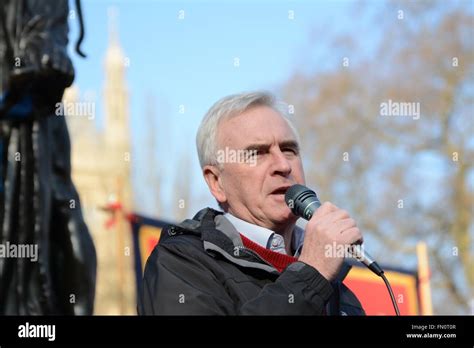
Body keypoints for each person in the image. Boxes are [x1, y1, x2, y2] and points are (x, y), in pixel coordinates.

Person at [138, 91, 365, 315]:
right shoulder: (180, 264)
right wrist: (311, 275)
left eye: (288, 150)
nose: (283, 165)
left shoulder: (337, 289)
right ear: (217, 182)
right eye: (257, 153)